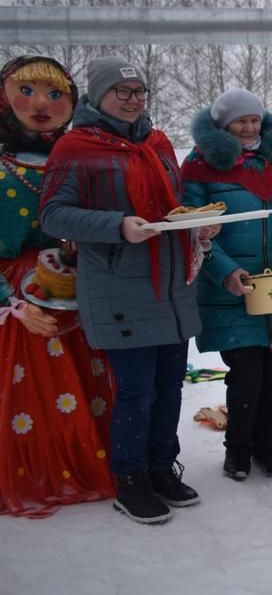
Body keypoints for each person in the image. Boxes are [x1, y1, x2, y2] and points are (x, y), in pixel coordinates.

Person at [39, 56, 203, 524]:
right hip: (119, 287)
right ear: (97, 96)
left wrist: (196, 225)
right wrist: (117, 226)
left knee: (171, 386)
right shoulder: (74, 147)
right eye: (122, 91)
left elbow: (174, 204)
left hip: (171, 284)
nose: (133, 100)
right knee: (137, 391)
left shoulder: (158, 142)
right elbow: (52, 214)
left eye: (139, 91)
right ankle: (129, 479)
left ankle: (160, 466)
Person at [0, 55, 116, 517]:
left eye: (54, 94)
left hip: (75, 282)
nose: (41, 104)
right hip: (17, 296)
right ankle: (33, 469)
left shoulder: (81, 158)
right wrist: (10, 303)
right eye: (24, 91)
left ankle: (87, 458)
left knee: (82, 380)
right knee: (26, 392)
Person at [182, 88, 272, 481]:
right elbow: (195, 225)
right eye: (240, 121)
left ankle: (268, 448)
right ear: (223, 125)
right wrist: (224, 270)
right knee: (247, 376)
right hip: (233, 287)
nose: (249, 127)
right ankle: (237, 451)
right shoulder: (200, 165)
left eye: (254, 120)